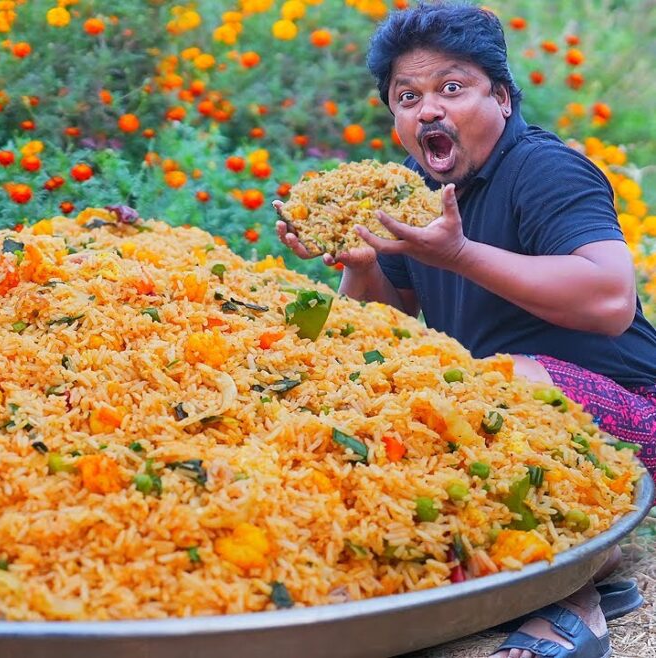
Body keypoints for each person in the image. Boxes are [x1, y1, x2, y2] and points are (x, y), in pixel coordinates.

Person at [275, 3, 654, 658]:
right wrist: (360, 265)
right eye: (407, 97)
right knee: (391, 403)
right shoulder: (410, 193)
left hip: (631, 418)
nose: (428, 110)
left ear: (501, 97)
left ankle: (575, 599)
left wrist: (459, 255)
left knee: (500, 382)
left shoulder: (545, 169)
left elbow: (612, 298)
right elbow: (384, 332)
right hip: (498, 419)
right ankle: (577, 563)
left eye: (451, 88)